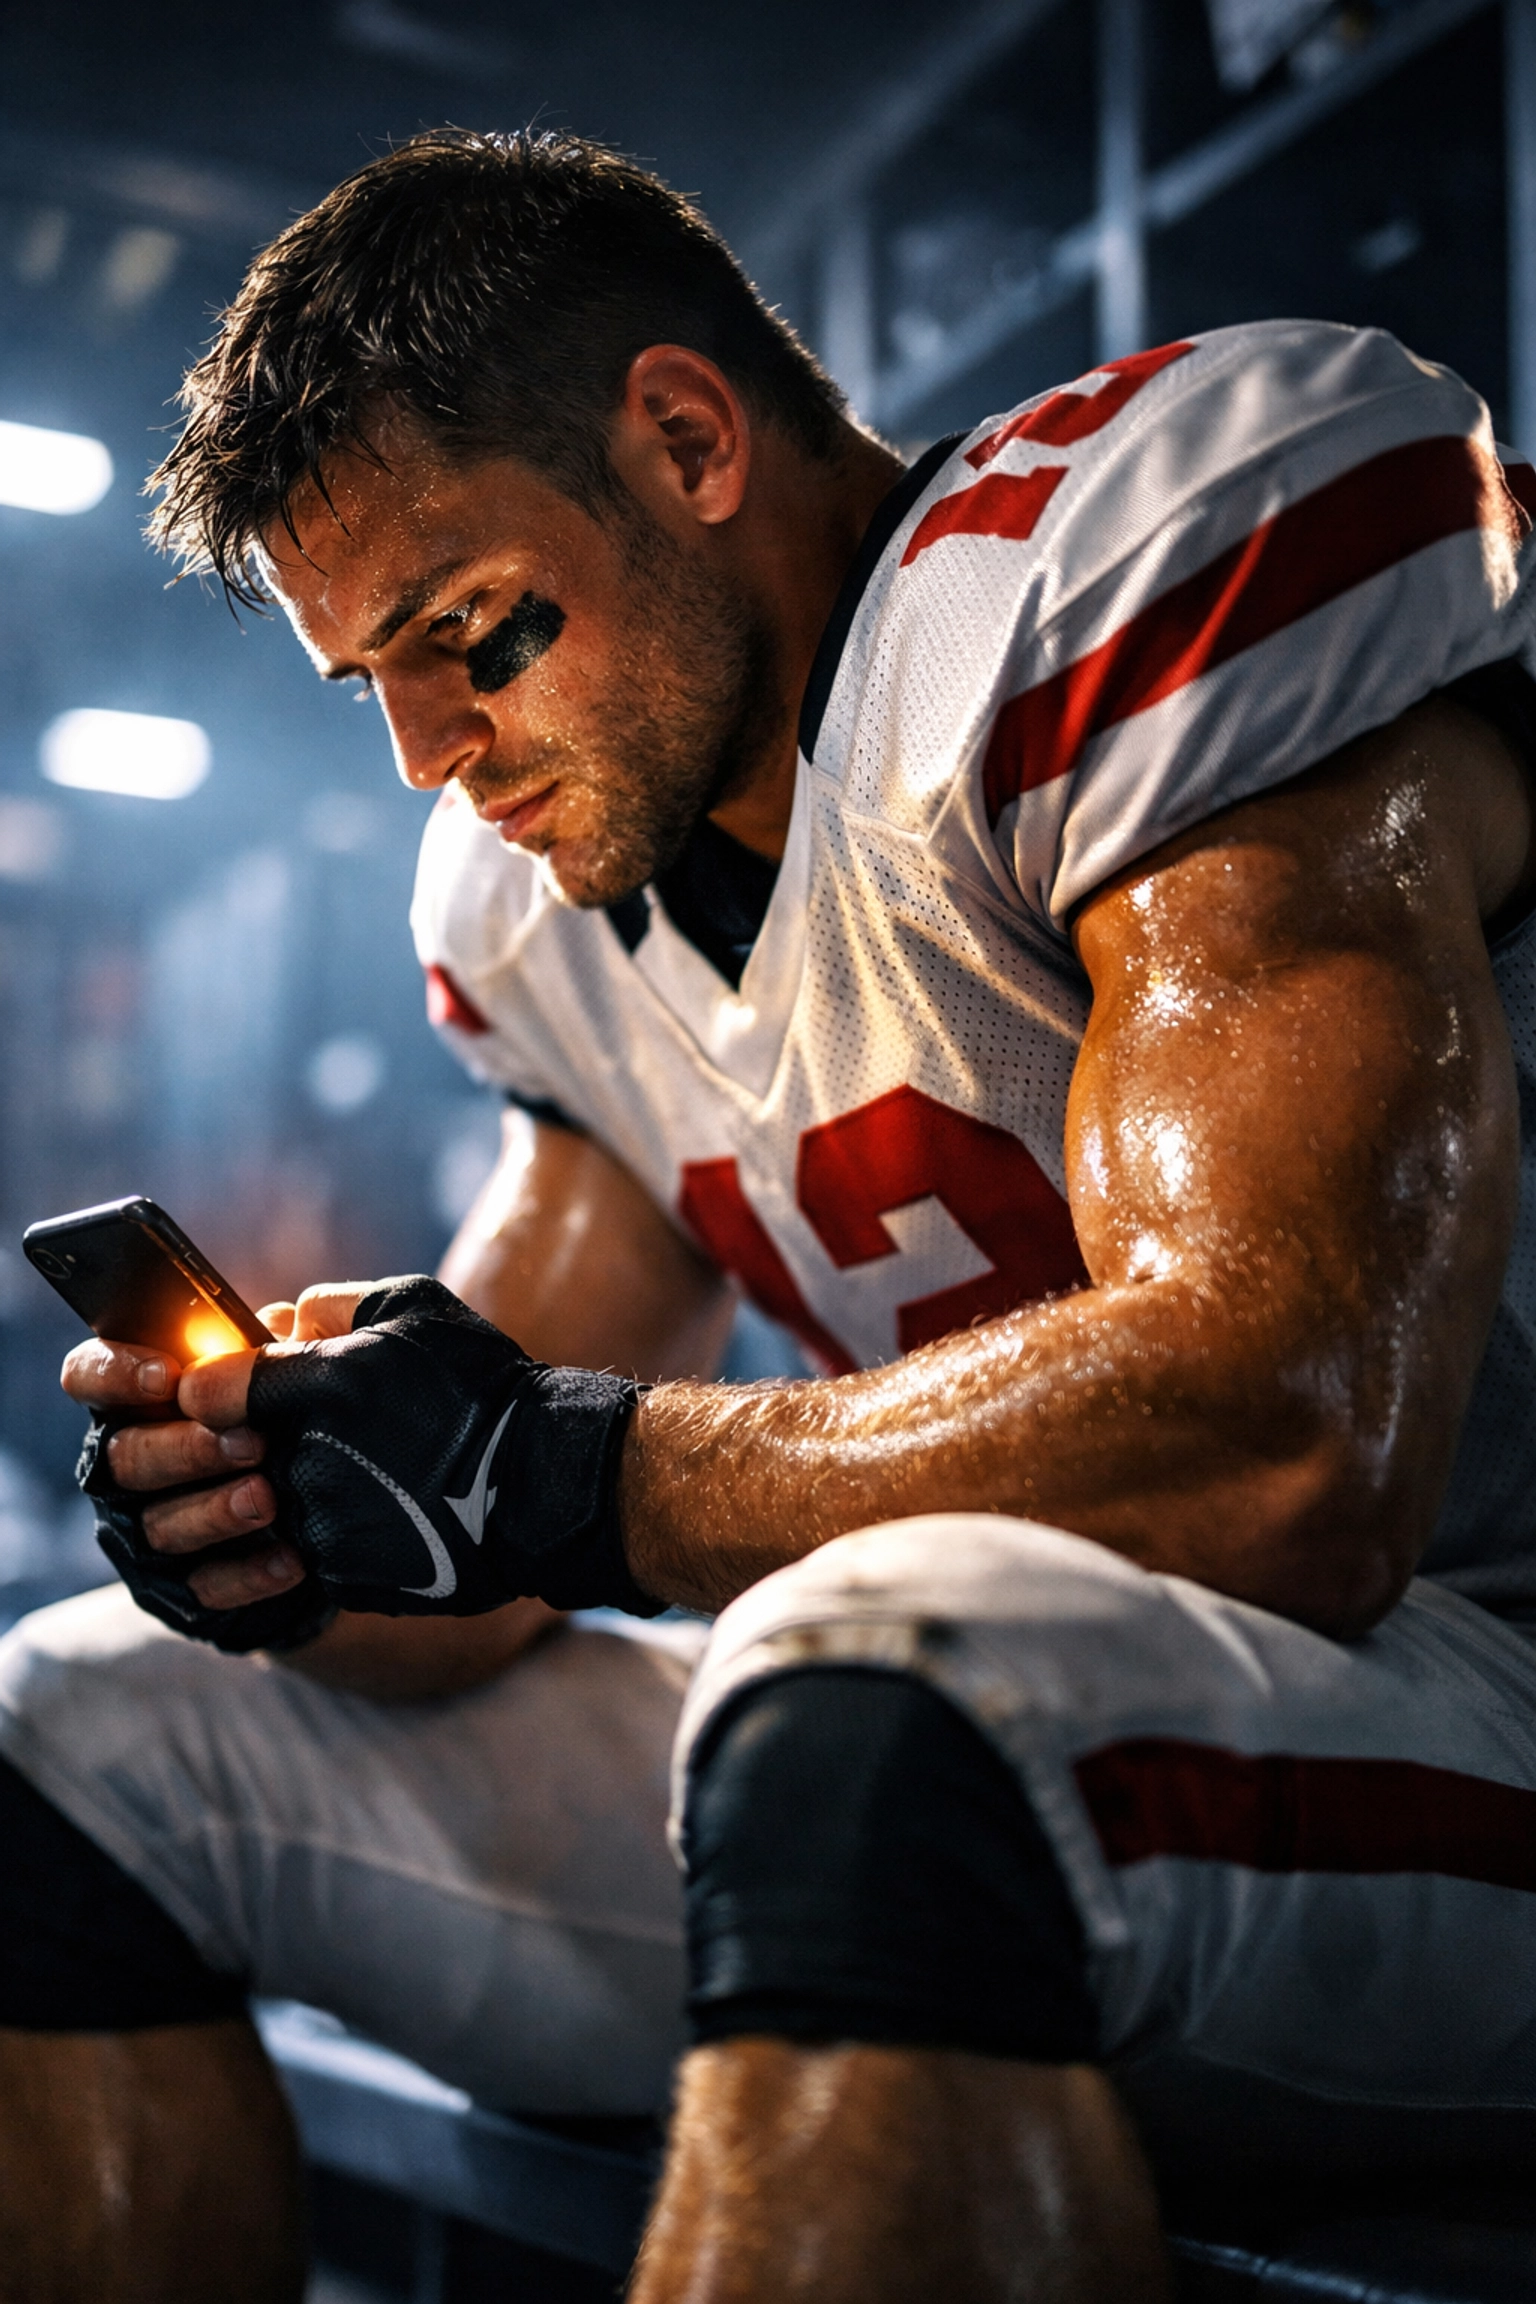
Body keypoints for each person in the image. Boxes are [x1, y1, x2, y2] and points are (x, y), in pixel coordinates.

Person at [5, 124, 1536, 2303]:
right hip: (995, 1757)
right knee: (74, 1732)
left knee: (872, 1680)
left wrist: (573, 1475)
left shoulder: (1128, 551)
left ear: (688, 440)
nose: (428, 755)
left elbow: (1291, 1436)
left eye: (468, 635)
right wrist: (293, 1524)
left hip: (1473, 1665)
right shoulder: (547, 898)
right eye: (374, 683)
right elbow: (480, 1565)